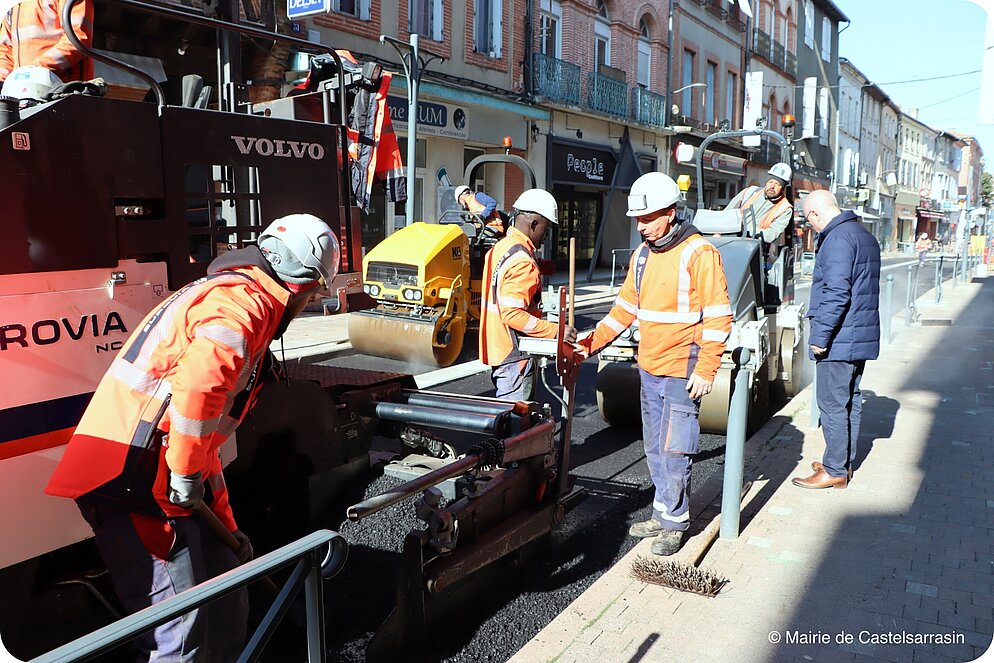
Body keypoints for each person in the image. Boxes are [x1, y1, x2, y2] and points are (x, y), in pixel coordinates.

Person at [45, 214, 341, 661]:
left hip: (154, 470)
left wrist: (228, 525)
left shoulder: (230, 293)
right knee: (182, 631)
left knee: (228, 594)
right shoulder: (244, 306)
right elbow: (198, 391)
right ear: (302, 286)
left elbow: (204, 439)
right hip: (132, 478)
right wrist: (183, 473)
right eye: (316, 292)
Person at [578, 172, 732, 556]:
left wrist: (706, 368)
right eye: (637, 220)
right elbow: (624, 311)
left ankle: (675, 523)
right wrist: (590, 344)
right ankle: (663, 513)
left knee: (676, 448)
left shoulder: (699, 253)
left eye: (647, 219)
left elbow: (718, 316)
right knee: (654, 446)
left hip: (683, 368)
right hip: (649, 367)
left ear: (670, 213)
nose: (641, 226)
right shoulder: (643, 256)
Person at [792, 190, 880, 490]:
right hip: (859, 336)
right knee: (850, 402)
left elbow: (835, 293)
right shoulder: (863, 234)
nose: (809, 225)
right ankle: (842, 462)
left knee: (831, 404)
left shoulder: (837, 239)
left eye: (808, 219)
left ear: (816, 214)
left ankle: (834, 470)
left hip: (840, 339)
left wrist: (819, 337)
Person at [480, 188, 577, 401]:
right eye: (546, 228)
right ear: (533, 224)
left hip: (498, 347)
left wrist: (538, 267)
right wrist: (556, 331)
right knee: (515, 422)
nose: (546, 236)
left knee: (507, 420)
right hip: (514, 355)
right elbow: (512, 314)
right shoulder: (523, 261)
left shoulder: (501, 247)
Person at [0, 0, 94, 85]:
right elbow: (5, 52)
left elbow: (78, 39)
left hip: (64, 90)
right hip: (23, 90)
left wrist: (34, 70)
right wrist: (4, 83)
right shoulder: (13, 8)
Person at [725, 162, 794, 244]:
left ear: (783, 188)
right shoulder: (749, 192)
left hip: (754, 245)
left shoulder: (785, 209)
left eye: (777, 184)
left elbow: (770, 235)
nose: (772, 187)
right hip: (730, 238)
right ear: (766, 182)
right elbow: (726, 214)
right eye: (771, 182)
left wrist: (744, 229)